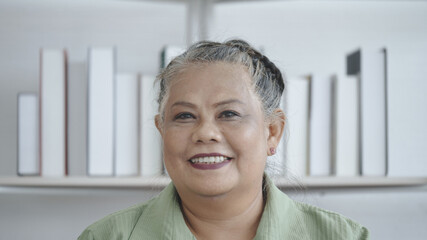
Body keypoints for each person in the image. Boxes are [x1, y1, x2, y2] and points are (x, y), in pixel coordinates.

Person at [78, 39, 369, 240]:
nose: (205, 133)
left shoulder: (344, 237)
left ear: (272, 132)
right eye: (184, 116)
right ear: (161, 130)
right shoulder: (104, 237)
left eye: (229, 113)